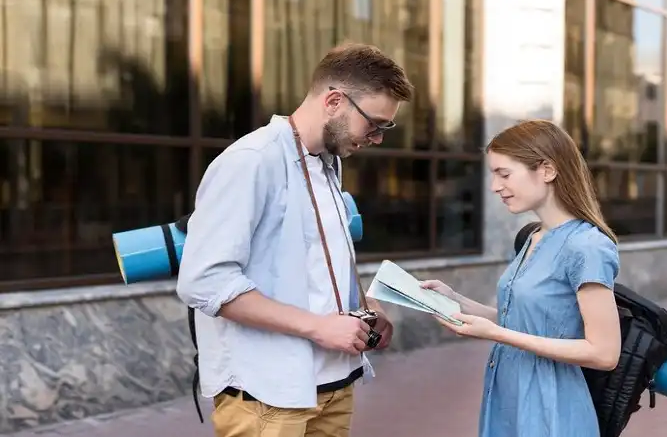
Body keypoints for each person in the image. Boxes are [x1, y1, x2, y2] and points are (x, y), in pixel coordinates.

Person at [176, 43, 414, 437]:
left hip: (333, 385)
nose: (377, 139)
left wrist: (363, 307)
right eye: (375, 124)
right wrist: (319, 327)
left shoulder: (328, 163)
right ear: (335, 101)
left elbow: (311, 269)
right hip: (268, 396)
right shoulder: (251, 160)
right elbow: (204, 282)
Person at [421, 119, 622, 437]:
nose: (494, 186)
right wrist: (455, 299)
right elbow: (521, 320)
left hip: (550, 409)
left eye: (504, 173)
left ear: (547, 171)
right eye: (493, 174)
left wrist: (496, 335)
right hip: (508, 398)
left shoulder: (587, 246)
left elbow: (604, 353)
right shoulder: (533, 237)